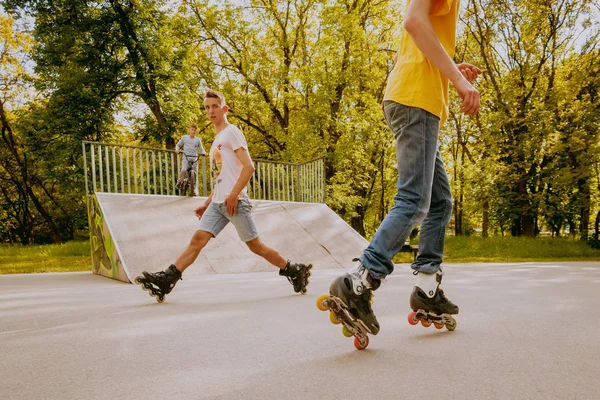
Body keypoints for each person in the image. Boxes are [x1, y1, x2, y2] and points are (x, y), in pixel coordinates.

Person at [327, 0, 481, 335]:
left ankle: (427, 288)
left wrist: (450, 66)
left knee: (439, 202)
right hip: (417, 101)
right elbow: (413, 21)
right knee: (413, 200)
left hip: (413, 99)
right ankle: (360, 279)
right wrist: (456, 78)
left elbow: (414, 43)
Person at [136, 89, 312, 301]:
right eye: (207, 107)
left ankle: (294, 269)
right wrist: (207, 202)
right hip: (218, 203)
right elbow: (221, 178)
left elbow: (249, 167)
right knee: (197, 240)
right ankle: (167, 279)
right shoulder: (217, 139)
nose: (210, 111)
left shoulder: (232, 133)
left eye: (215, 106)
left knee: (255, 246)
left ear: (224, 109)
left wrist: (234, 195)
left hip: (235, 202)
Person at [175, 124, 206, 196]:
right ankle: (179, 182)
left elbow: (201, 149)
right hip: (186, 158)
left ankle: (194, 190)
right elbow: (178, 145)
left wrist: (204, 153)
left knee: (195, 174)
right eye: (192, 129)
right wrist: (177, 150)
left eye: (195, 130)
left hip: (194, 158)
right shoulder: (184, 138)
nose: (193, 131)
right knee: (183, 170)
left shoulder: (197, 140)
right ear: (189, 130)